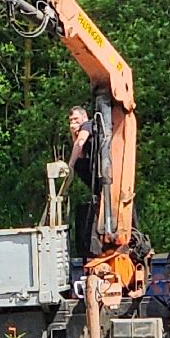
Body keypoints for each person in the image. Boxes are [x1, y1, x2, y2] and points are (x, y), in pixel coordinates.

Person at [67, 105, 100, 256]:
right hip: (90, 173)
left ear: (83, 117)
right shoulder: (80, 131)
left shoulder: (88, 125)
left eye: (75, 119)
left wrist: (70, 166)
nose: (73, 122)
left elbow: (80, 143)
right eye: (70, 120)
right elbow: (79, 150)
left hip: (98, 171)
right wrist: (73, 135)